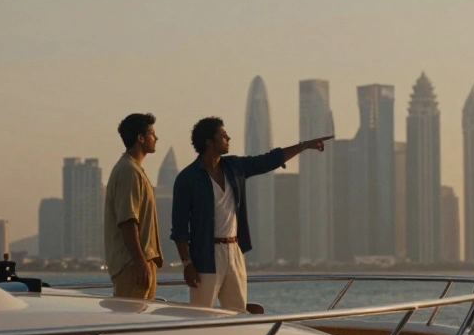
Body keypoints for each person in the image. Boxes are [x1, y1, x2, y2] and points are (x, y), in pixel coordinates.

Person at [171, 116, 330, 311]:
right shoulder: (187, 178)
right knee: (200, 314)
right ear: (209, 142)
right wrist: (187, 263)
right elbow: (179, 228)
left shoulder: (234, 167)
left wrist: (304, 146)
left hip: (234, 250)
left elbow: (268, 160)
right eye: (223, 135)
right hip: (205, 254)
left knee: (238, 312)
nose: (228, 138)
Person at [104, 113, 164, 299]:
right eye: (152, 134)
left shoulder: (135, 169)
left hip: (142, 263)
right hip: (132, 266)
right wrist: (139, 262)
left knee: (142, 321)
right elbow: (128, 221)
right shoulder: (128, 171)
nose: (156, 138)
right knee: (132, 320)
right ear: (140, 138)